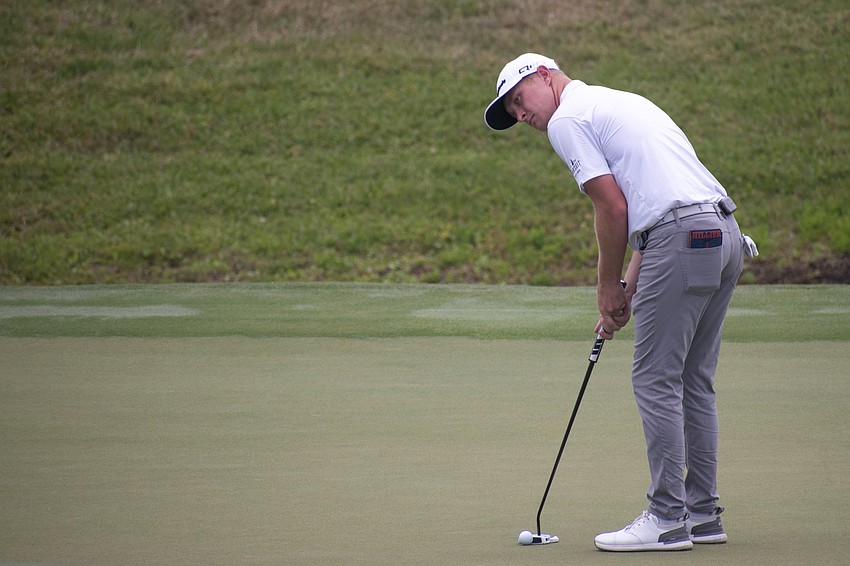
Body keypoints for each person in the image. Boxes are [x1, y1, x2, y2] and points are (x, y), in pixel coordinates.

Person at [485, 53, 757, 552]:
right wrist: (627, 291)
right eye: (513, 112)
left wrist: (607, 285)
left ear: (544, 76)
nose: (521, 116)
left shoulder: (566, 120)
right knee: (692, 380)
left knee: (655, 378)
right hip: (722, 235)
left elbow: (611, 206)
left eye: (519, 102)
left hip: (680, 237)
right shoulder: (619, 102)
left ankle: (666, 517)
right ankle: (702, 516)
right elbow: (651, 207)